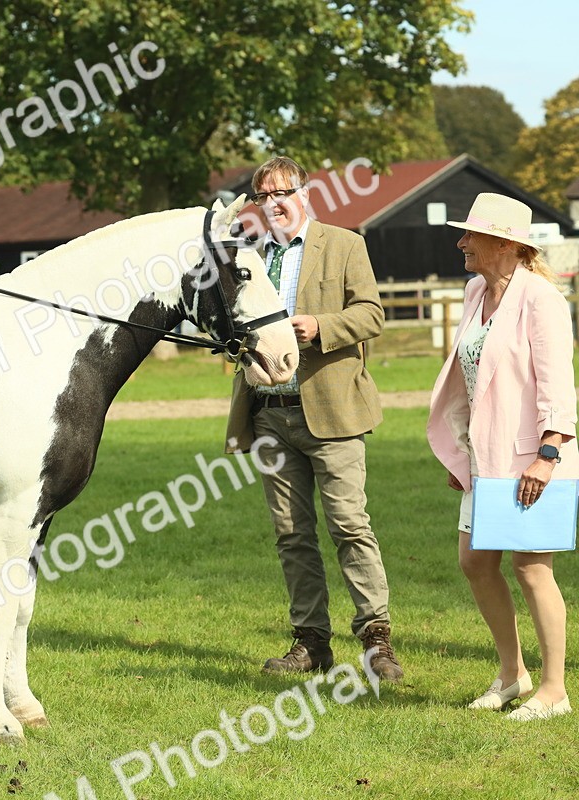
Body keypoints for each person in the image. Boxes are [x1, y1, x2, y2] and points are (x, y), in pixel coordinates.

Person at [224, 156, 402, 681]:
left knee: (350, 525)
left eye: (284, 192)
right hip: (268, 415)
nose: (274, 203)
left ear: (306, 193)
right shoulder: (248, 256)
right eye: (263, 196)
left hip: (334, 411)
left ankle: (376, 642)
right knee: (292, 534)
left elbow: (372, 314)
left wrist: (319, 326)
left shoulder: (345, 244)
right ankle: (311, 644)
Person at [427, 193, 577, 721]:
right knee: (475, 562)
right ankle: (512, 675)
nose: (461, 242)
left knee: (532, 569)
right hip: (482, 458)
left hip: (533, 459)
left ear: (507, 243)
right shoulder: (474, 291)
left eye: (471, 234)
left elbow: (559, 384)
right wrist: (459, 448)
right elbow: (470, 380)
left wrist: (548, 453)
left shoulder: (541, 299)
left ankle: (555, 690)